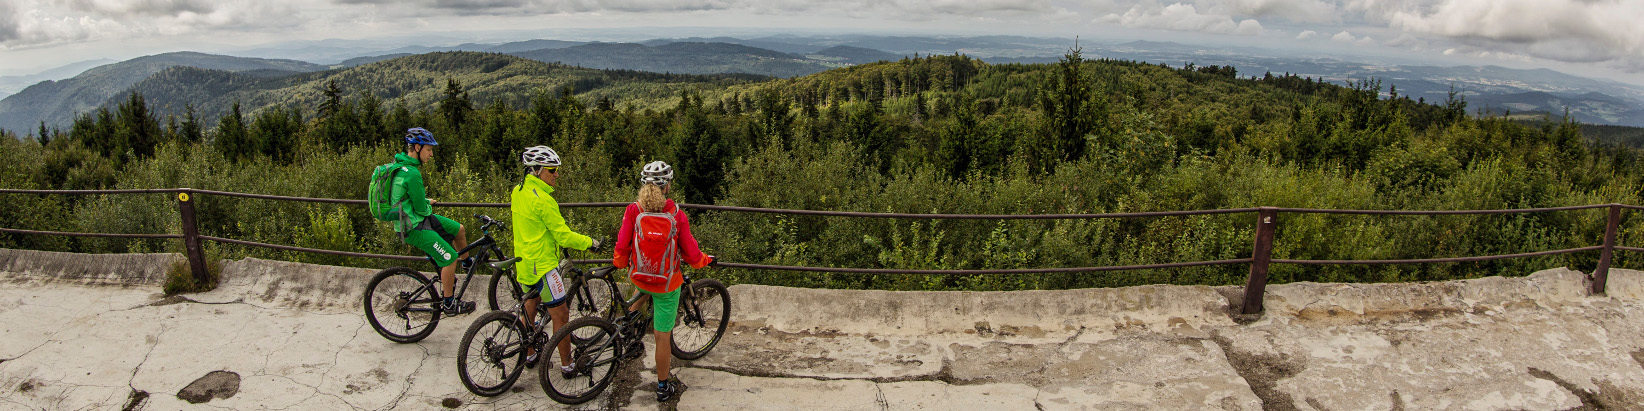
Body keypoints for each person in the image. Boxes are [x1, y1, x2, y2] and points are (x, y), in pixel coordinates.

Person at [612, 160, 714, 403]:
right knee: (662, 336)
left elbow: (622, 245)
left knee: (644, 291)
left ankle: (627, 326)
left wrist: (619, 262)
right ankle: (662, 386)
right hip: (667, 283)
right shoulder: (676, 214)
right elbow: (690, 253)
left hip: (640, 276)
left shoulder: (633, 210)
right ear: (667, 186)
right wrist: (705, 261)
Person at [509, 145, 599, 371]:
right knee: (561, 314)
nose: (556, 174)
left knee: (529, 307)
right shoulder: (544, 200)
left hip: (524, 262)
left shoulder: (517, 191)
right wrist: (590, 242)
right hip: (544, 265)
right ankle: (567, 364)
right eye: (552, 170)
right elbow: (563, 235)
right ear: (537, 170)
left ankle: (529, 354)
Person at [388, 127, 472, 315]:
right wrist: (426, 204)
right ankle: (449, 304)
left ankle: (467, 266)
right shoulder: (412, 173)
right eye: (429, 149)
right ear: (417, 148)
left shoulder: (402, 166)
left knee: (459, 229)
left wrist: (425, 202)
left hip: (419, 218)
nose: (431, 154)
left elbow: (408, 198)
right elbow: (419, 208)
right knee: (450, 258)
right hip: (412, 226)